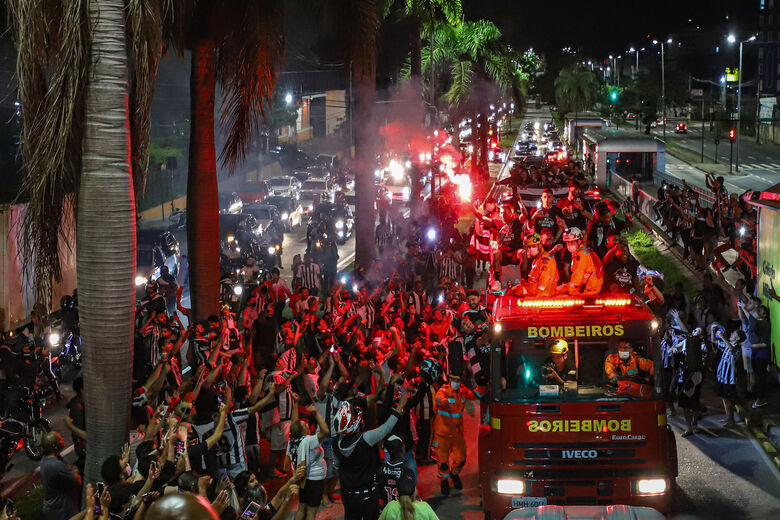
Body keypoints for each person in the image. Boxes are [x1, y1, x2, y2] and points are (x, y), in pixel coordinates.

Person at [334, 396, 408, 520]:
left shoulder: (336, 443)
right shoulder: (365, 439)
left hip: (348, 495)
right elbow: (386, 428)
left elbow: (336, 466)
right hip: (368, 495)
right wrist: (400, 406)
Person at [432, 373, 483, 496]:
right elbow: (439, 400)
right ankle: (444, 481)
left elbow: (478, 395)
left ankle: (454, 474)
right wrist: (447, 400)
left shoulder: (463, 392)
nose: (456, 382)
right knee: (443, 463)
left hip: (456, 434)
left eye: (458, 380)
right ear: (450, 380)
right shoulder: (443, 391)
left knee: (461, 459)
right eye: (454, 380)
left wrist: (479, 385)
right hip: (442, 434)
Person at [39, 431, 82, 520]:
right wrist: (75, 471)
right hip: (60, 509)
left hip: (54, 507)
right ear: (54, 446)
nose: (62, 440)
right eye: (59, 439)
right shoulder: (55, 465)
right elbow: (78, 480)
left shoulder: (46, 459)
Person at [507, 233, 559, 297]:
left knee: (513, 291)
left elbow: (544, 281)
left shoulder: (544, 259)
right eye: (529, 247)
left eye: (533, 246)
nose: (530, 249)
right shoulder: (537, 258)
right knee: (514, 289)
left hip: (543, 293)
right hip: (535, 289)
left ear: (540, 246)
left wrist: (537, 298)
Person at [557, 227, 603, 296]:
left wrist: (569, 291)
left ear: (579, 241)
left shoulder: (581, 255)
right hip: (589, 287)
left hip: (588, 289)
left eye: (572, 242)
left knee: (557, 292)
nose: (569, 245)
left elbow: (577, 280)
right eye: (568, 242)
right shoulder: (580, 252)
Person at [376, 435, 416, 510]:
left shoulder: (381, 470)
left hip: (388, 510)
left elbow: (378, 493)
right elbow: (412, 496)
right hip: (402, 512)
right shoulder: (407, 472)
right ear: (402, 450)